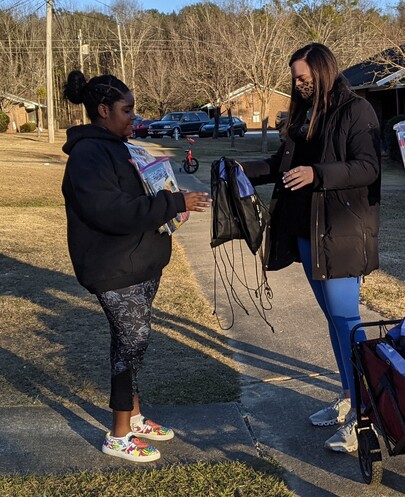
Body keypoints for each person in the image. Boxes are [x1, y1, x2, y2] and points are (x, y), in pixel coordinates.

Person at [62, 70, 211, 462]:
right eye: (127, 110)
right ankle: (119, 434)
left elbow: (141, 193)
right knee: (132, 344)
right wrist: (175, 203)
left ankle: (135, 416)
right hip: (114, 269)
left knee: (130, 344)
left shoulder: (120, 146)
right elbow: (111, 212)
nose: (134, 116)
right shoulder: (87, 155)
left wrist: (167, 197)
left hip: (141, 263)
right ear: (102, 110)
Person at [240, 43, 381, 453]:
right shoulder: (303, 114)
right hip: (307, 234)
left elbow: (368, 167)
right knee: (334, 324)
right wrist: (241, 169)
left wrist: (318, 173)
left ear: (323, 72)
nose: (298, 84)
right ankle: (348, 395)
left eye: (303, 77)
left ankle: (364, 413)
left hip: (341, 233)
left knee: (347, 321)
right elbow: (283, 167)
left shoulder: (356, 111)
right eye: (295, 79)